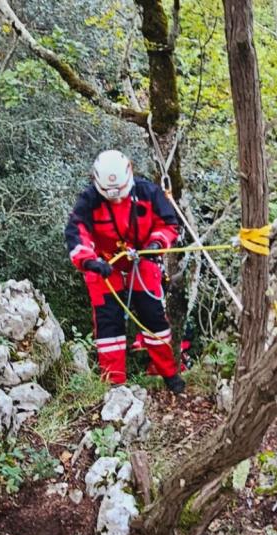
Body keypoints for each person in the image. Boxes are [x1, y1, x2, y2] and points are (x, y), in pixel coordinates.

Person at [65, 150, 186, 394]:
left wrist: (156, 244)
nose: (116, 200)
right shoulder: (88, 201)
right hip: (104, 267)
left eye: (120, 193)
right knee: (108, 326)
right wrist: (90, 261)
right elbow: (77, 234)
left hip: (142, 260)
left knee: (154, 319)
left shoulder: (148, 193)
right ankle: (114, 386)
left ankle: (170, 376)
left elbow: (169, 224)